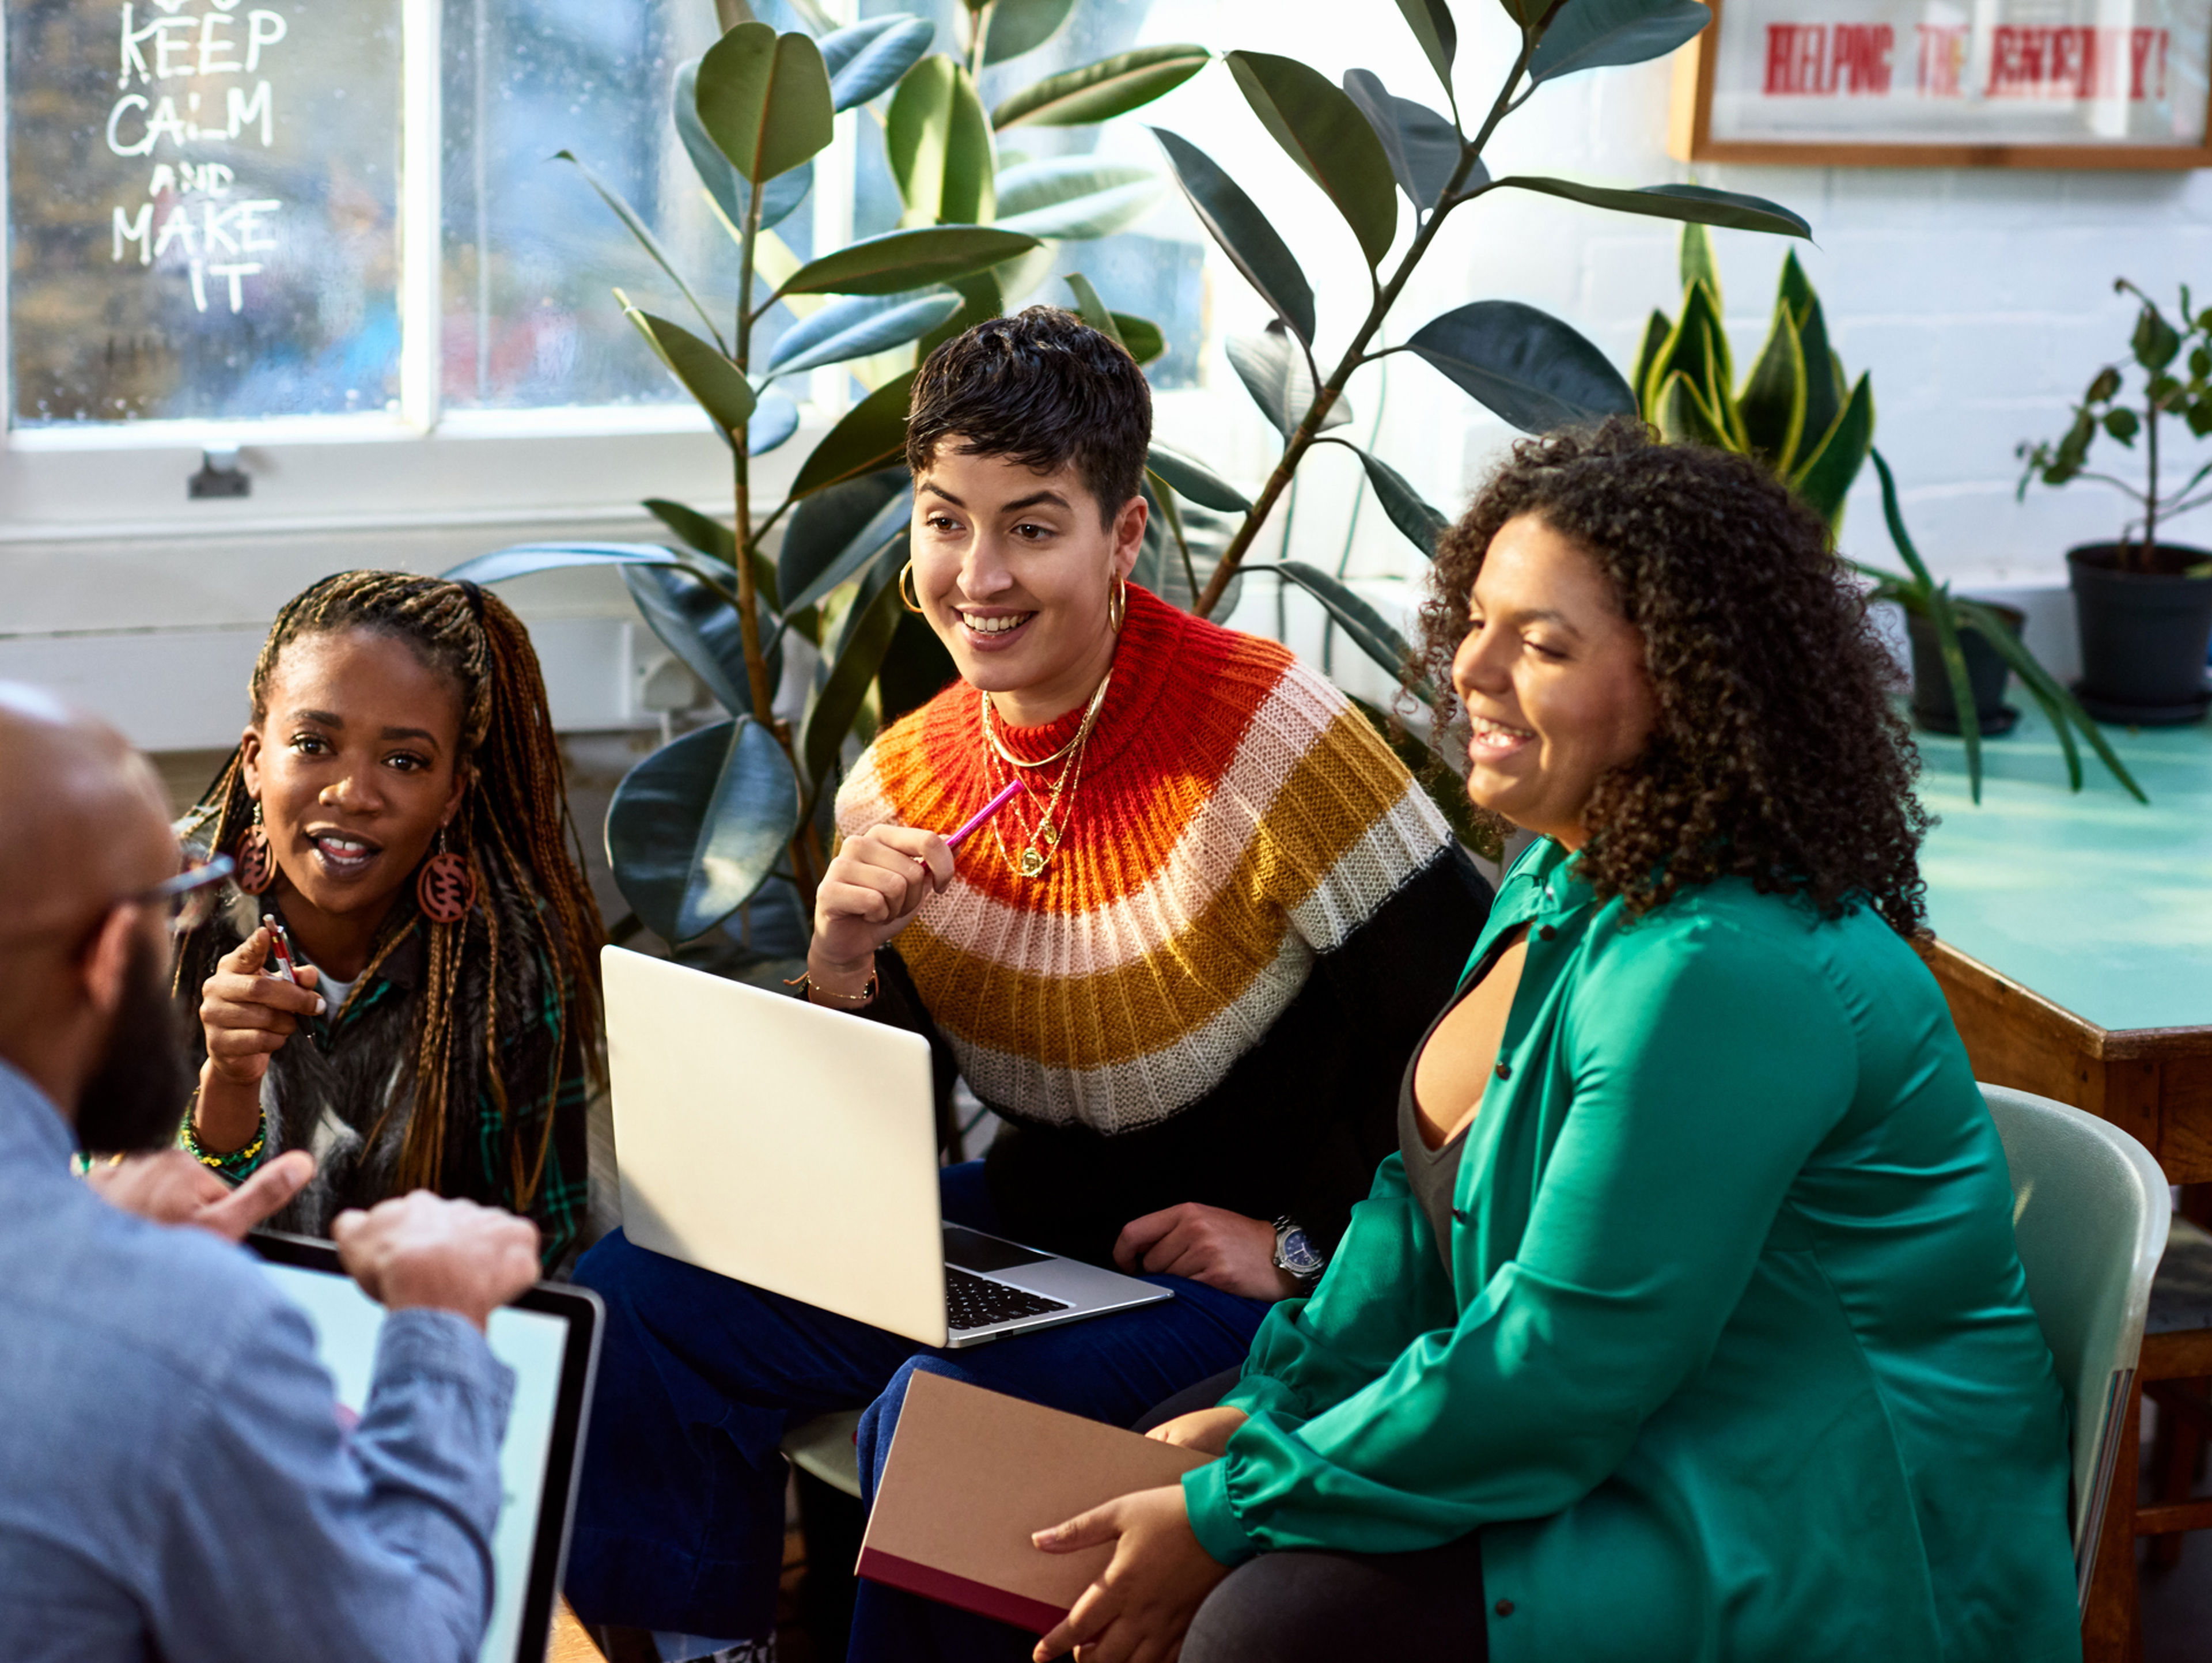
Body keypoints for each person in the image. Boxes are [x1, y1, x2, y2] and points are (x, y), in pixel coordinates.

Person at [1025, 422, 2082, 1663]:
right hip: (1639, 1425)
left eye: (1543, 644)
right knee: (1155, 1447)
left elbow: (1562, 1366)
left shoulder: (1722, 967)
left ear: (1693, 683)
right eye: (1477, 617)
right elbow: (1412, 1227)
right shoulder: (1563, 874)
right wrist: (1276, 1410)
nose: (1469, 667)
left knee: (1268, 1624)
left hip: (1807, 1518)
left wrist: (1246, 1498)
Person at [564, 306, 1494, 1657]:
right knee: (641, 1291)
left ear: (1121, 537)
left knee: (947, 1416)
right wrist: (842, 963)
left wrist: (1304, 1246)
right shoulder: (898, 772)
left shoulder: (1272, 734)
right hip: (1028, 1232)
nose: (977, 573)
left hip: (1244, 1278)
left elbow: (1481, 1039)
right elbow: (891, 1120)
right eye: (945, 520)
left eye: (1032, 525)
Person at [0, 682, 544, 1662]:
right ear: (108, 948)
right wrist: (441, 1331)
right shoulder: (195, 1337)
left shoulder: (515, 970)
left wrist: (88, 1225)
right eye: (170, 902)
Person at [173, 571, 607, 1271]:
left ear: (451, 795)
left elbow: (536, 1245)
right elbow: (108, 1232)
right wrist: (227, 1082)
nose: (354, 793)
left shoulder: (511, 957)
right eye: (314, 744)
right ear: (255, 760)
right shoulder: (159, 912)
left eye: (404, 760)